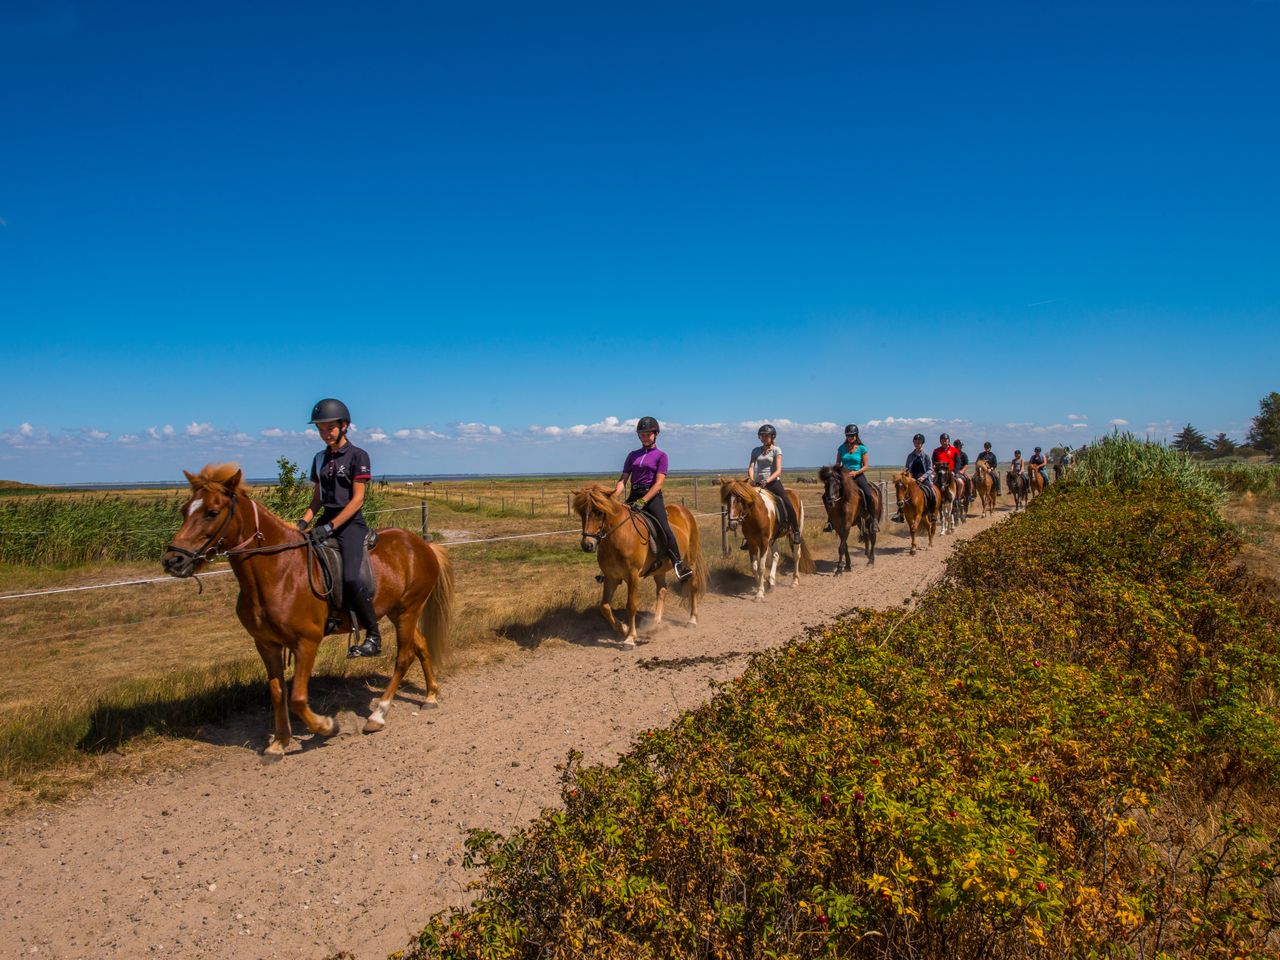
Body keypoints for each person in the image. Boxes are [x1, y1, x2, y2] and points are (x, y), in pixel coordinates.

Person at [299, 398, 382, 658]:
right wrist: (303, 522)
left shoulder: (358, 456)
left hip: (351, 524)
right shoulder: (319, 458)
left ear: (345, 426)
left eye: (330, 428)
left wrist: (331, 526)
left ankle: (374, 636)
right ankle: (325, 617)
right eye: (321, 429)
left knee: (350, 577)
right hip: (325, 520)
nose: (325, 434)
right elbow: (317, 498)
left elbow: (357, 499)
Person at [614, 416, 692, 582]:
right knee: (613, 524)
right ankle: (610, 567)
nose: (645, 437)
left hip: (652, 497)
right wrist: (614, 496)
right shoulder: (632, 455)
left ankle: (678, 563)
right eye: (642, 434)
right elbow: (623, 480)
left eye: (648, 434)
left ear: (655, 434)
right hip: (634, 495)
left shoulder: (661, 456)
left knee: (664, 527)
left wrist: (643, 502)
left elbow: (658, 484)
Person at [748, 424, 802, 544]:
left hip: (772, 483)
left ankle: (795, 530)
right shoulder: (755, 450)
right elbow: (751, 466)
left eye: (767, 436)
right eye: (762, 436)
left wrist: (767, 480)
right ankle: (749, 535)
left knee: (787, 502)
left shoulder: (777, 450)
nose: (764, 438)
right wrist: (751, 479)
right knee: (747, 505)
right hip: (757, 484)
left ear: (772, 437)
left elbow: (778, 470)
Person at [828, 424, 877, 533]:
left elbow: (866, 466)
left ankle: (873, 520)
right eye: (848, 435)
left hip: (858, 475)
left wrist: (856, 472)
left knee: (868, 494)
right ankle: (830, 521)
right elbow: (838, 463)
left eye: (852, 435)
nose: (850, 437)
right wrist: (836, 473)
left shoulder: (862, 448)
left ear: (856, 435)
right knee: (830, 493)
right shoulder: (841, 448)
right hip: (844, 477)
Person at [892, 433, 932, 522]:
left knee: (931, 491)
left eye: (919, 442)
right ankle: (900, 514)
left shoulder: (926, 456)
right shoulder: (910, 456)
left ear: (922, 443)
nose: (917, 444)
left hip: (923, 478)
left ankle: (932, 512)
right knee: (902, 493)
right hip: (911, 478)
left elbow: (930, 469)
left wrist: (923, 477)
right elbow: (907, 468)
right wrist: (904, 474)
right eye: (915, 442)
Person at [954, 439, 972, 503]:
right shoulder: (952, 453)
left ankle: (969, 495)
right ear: (955, 446)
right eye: (959, 446)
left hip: (961, 471)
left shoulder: (963, 454)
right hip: (953, 471)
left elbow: (966, 464)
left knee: (968, 479)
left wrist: (962, 471)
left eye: (961, 446)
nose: (960, 447)